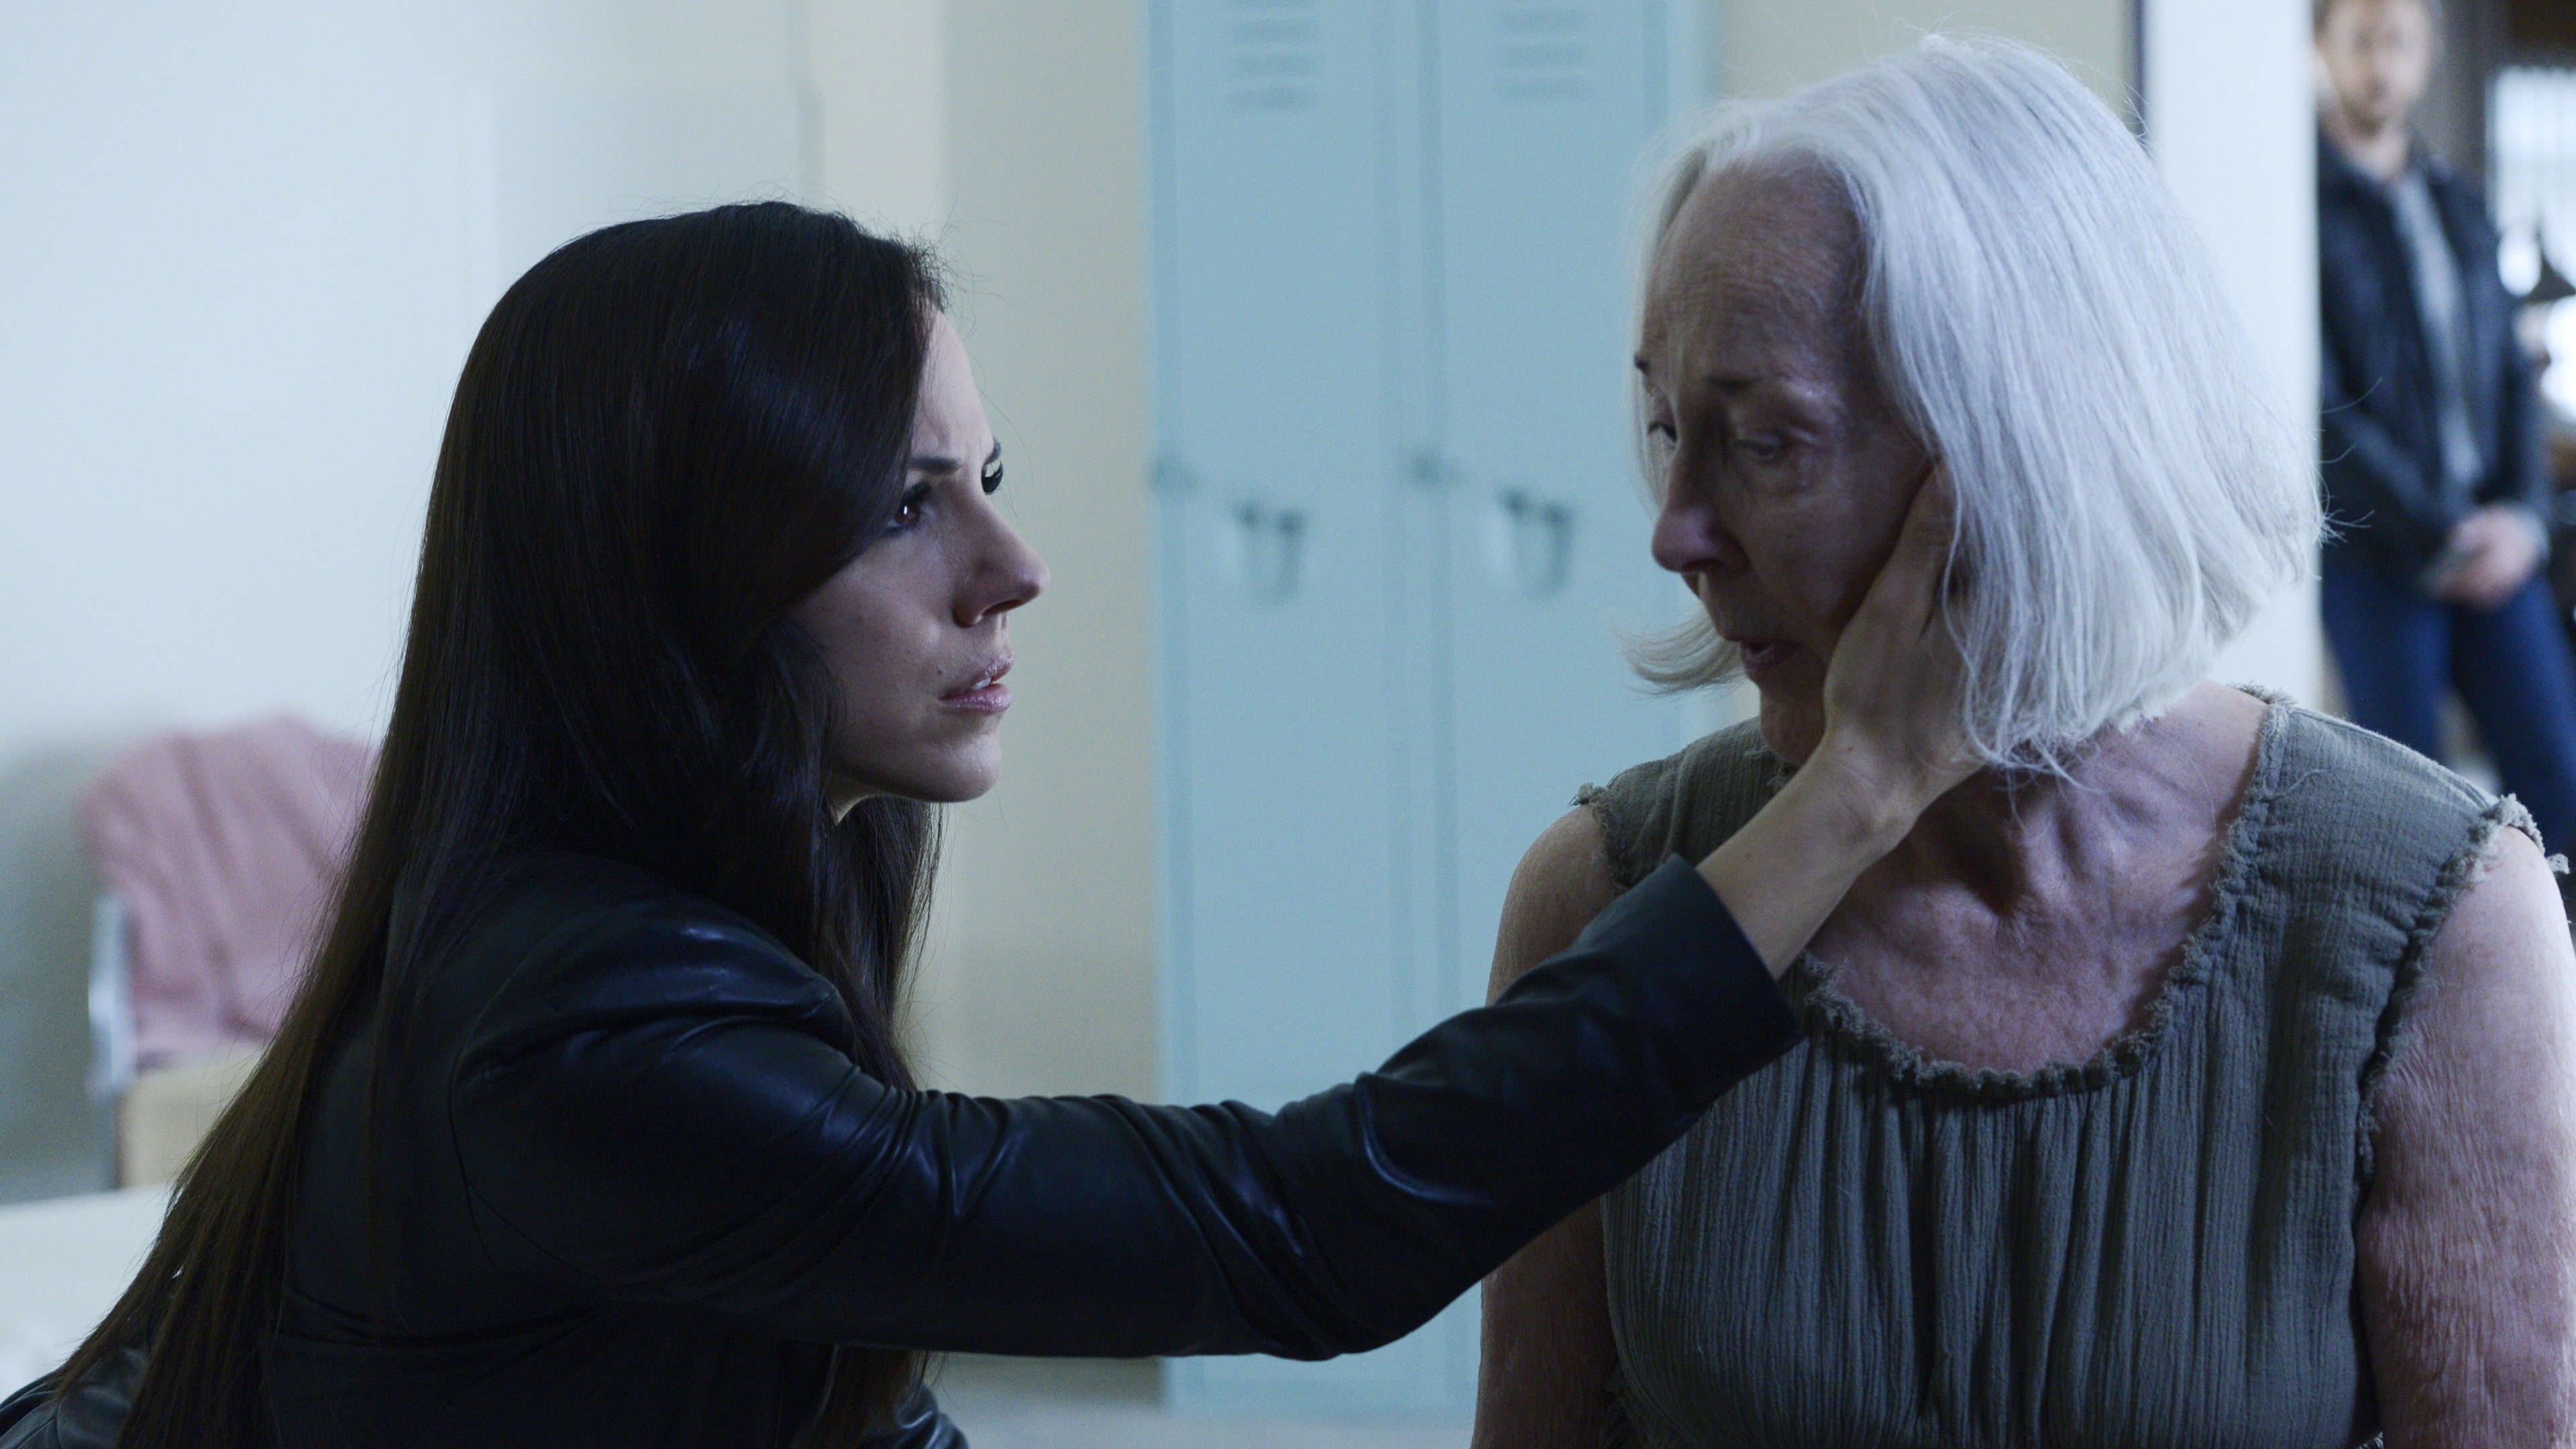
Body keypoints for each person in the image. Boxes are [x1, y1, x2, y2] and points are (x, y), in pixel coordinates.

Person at [0, 205, 1980, 1449]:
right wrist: (1852, 794)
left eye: (989, 477)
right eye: (900, 505)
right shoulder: (590, 1040)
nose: (1013, 569)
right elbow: (1298, 1227)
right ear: (680, 583)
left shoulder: (642, 933)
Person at [1473, 38, 2576, 1448]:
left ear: (2027, 450)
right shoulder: (1606, 902)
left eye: (1762, 442)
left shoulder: (2441, 922)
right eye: (1669, 425)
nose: (1675, 533)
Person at [2316, 0, 2576, 855]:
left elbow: (2510, 373)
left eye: (2397, 42)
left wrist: (2525, 518)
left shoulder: (2460, 204)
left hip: (2495, 543)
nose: (2378, 64)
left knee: (2559, 779)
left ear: (2426, 54)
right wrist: (2439, 531)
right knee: (2409, 821)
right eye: (2360, 41)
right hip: (2380, 555)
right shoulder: (2298, 206)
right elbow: (2320, 408)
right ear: (2325, 49)